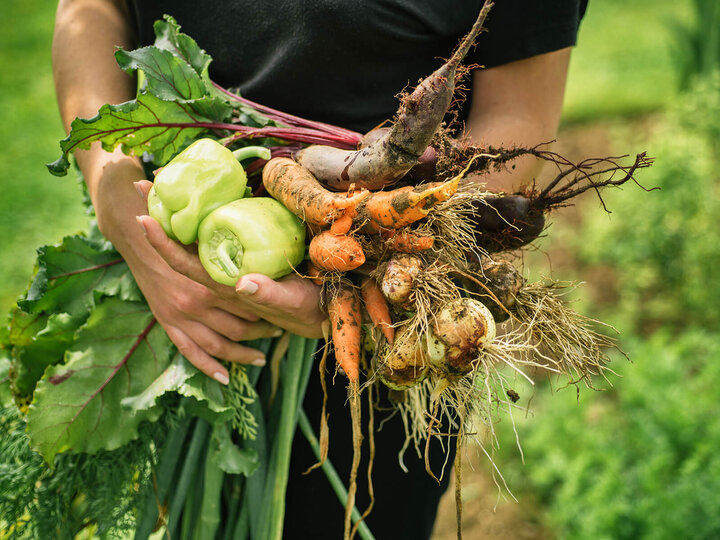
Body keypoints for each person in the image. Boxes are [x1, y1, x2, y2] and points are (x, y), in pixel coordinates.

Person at [52, 1, 587, 537]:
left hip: (391, 322)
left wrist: (378, 265)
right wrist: (112, 186)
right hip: (167, 284)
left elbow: (517, 114)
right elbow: (90, 9)